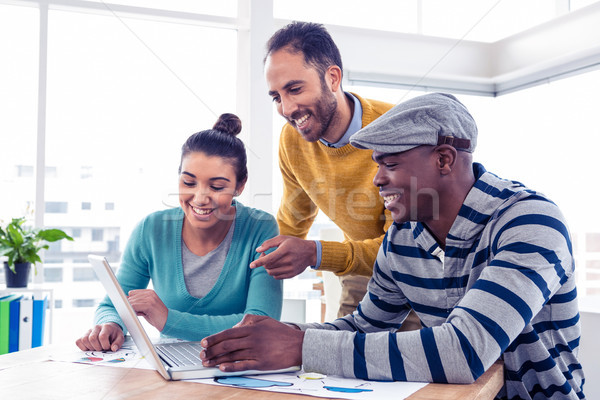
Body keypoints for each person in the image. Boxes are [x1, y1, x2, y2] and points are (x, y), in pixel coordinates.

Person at [199, 94, 585, 400]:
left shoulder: (529, 223)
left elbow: (465, 351)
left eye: (391, 165)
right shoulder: (404, 237)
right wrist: (274, 337)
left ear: (444, 159)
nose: (377, 180)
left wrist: (300, 346)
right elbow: (363, 327)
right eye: (376, 165)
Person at [249, 21, 417, 323]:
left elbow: (402, 247)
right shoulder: (293, 141)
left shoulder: (396, 129)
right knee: (335, 363)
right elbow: (293, 217)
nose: (286, 108)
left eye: (295, 89)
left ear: (333, 77)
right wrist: (258, 261)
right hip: (361, 273)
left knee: (407, 365)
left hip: (420, 273)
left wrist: (315, 253)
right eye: (276, 97)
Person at [75, 114, 283, 352]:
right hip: (172, 368)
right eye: (188, 182)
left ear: (240, 185)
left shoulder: (260, 228)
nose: (200, 198)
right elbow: (113, 304)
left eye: (217, 187)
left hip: (237, 366)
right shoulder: (151, 230)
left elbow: (262, 325)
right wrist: (110, 324)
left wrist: (168, 320)